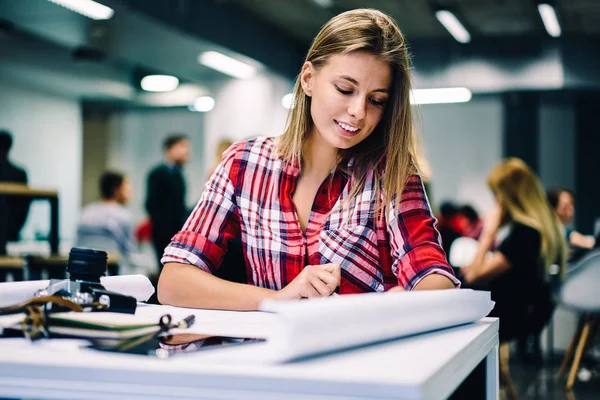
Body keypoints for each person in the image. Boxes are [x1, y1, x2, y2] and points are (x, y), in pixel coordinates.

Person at [158, 9, 459, 311]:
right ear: (308, 79)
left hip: (359, 356)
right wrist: (277, 299)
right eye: (345, 89)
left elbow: (431, 273)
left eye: (376, 100)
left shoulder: (390, 173)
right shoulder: (244, 164)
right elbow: (174, 281)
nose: (358, 111)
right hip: (263, 355)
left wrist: (413, 298)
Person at [461, 158, 566, 351]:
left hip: (509, 316)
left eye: (496, 195)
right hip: (524, 311)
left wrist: (488, 233)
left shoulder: (525, 234)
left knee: (460, 287)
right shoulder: (540, 231)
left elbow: (473, 276)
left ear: (506, 197)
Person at [145, 134, 191, 269]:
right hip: (163, 233)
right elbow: (152, 204)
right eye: (182, 146)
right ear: (170, 149)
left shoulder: (179, 174)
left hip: (176, 232)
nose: (187, 151)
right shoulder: (157, 174)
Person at [76, 171, 136, 271]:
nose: (130, 192)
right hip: (112, 272)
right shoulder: (123, 216)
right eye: (127, 188)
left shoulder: (85, 212)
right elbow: (129, 251)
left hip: (83, 270)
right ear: (116, 190)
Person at [0, 130, 30, 254]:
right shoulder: (19, 173)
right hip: (11, 234)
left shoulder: (18, 173)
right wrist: (12, 230)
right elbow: (23, 208)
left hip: (11, 233)